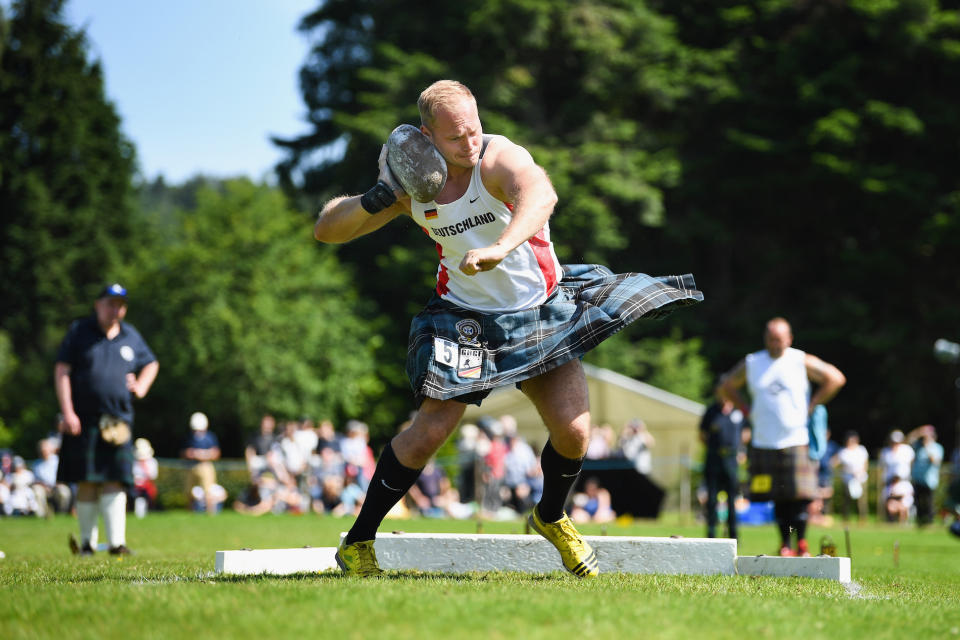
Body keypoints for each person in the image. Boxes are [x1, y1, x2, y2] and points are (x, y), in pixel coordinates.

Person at [314, 79, 702, 577]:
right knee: (430, 430)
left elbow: (540, 195)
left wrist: (502, 247)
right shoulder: (415, 183)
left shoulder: (499, 158)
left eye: (473, 130)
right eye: (455, 138)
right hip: (463, 317)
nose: (469, 143)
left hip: (539, 309)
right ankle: (358, 541)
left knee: (576, 432)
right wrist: (380, 196)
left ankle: (550, 514)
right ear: (429, 136)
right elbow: (328, 230)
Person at [721, 317, 846, 557]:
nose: (775, 343)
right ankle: (785, 544)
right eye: (770, 339)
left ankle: (802, 543)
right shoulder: (752, 362)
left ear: (789, 339)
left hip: (796, 439)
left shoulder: (800, 360)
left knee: (800, 499)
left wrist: (813, 403)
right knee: (777, 498)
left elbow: (836, 378)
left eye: (779, 339)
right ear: (765, 339)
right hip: (763, 440)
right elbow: (727, 385)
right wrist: (746, 410)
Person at [55, 283, 158, 556]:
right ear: (98, 304)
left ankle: (116, 544)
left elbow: (151, 363)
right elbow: (62, 370)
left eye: (120, 305)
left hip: (119, 421)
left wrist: (142, 386)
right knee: (87, 480)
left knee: (116, 479)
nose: (116, 309)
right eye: (110, 303)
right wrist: (67, 412)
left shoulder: (131, 335)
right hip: (85, 419)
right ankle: (87, 544)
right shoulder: (80, 332)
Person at [699, 381, 748, 539]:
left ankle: (734, 534)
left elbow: (746, 432)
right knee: (712, 499)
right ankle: (711, 534)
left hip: (732, 460)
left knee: (733, 499)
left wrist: (740, 450)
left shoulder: (738, 412)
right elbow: (702, 435)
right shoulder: (711, 411)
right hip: (714, 459)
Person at [181, 411, 222, 515]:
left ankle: (210, 513)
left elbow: (216, 453)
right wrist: (191, 453)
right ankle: (190, 512)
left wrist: (204, 455)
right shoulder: (189, 437)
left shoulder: (210, 437)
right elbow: (183, 452)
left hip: (205, 466)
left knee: (208, 491)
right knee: (189, 492)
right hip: (191, 466)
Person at [906, 424, 943, 526]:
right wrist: (919, 432)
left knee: (928, 502)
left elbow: (934, 461)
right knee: (917, 502)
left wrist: (927, 446)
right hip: (917, 478)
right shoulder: (919, 446)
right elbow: (908, 440)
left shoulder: (937, 447)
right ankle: (920, 521)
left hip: (929, 480)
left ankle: (929, 521)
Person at [31, 436, 71, 516]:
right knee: (37, 491)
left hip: (57, 486)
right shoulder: (36, 464)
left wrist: (57, 484)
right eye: (42, 450)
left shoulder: (58, 461)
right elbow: (35, 480)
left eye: (45, 450)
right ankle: (41, 514)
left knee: (63, 492)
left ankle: (61, 513)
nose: (44, 452)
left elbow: (65, 476)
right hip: (43, 488)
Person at [835, 430, 869, 523]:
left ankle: (862, 519)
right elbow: (835, 462)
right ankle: (845, 518)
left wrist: (860, 472)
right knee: (846, 500)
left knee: (861, 501)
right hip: (847, 479)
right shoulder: (843, 451)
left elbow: (866, 463)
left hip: (860, 478)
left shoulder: (861, 449)